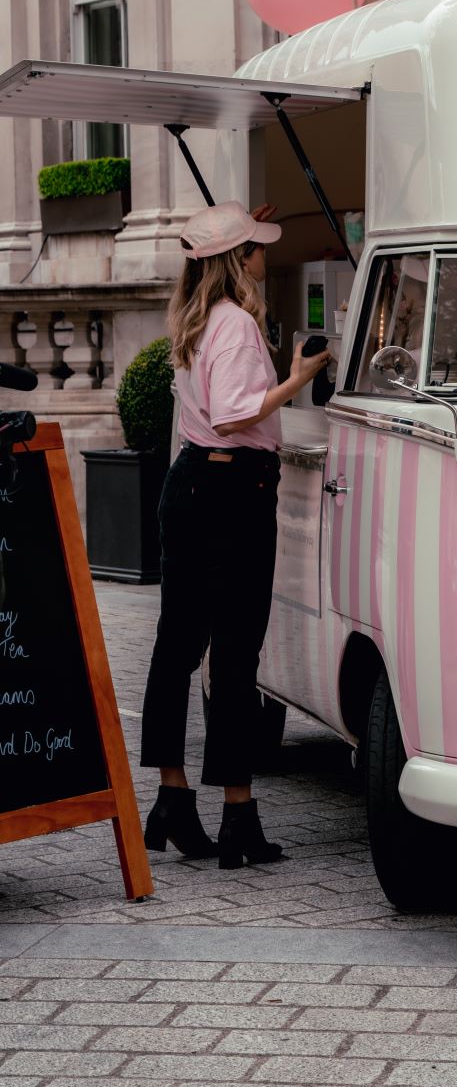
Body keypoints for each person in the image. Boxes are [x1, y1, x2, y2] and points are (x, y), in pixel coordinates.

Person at [139, 201, 330, 869]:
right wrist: (298, 380)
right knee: (235, 653)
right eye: (255, 246)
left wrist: (240, 218)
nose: (264, 254)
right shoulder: (238, 325)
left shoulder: (191, 319)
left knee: (176, 645)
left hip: (191, 485)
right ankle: (238, 815)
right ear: (236, 260)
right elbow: (232, 414)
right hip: (234, 489)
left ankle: (172, 796)